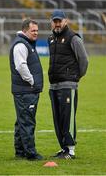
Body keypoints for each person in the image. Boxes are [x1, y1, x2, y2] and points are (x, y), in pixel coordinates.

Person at [48, 10, 88, 159]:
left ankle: (70, 150)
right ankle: (63, 148)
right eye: (55, 21)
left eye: (60, 21)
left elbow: (84, 60)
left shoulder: (73, 38)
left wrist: (75, 77)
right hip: (53, 86)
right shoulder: (50, 38)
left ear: (66, 21)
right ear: (51, 22)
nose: (57, 24)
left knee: (67, 117)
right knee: (58, 118)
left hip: (68, 85)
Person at [9, 19, 43, 161]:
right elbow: (21, 66)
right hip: (25, 91)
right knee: (27, 122)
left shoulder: (26, 43)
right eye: (32, 30)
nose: (36, 33)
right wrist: (32, 81)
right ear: (24, 31)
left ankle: (20, 151)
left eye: (36, 30)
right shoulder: (21, 45)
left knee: (22, 121)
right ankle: (30, 153)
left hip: (26, 90)